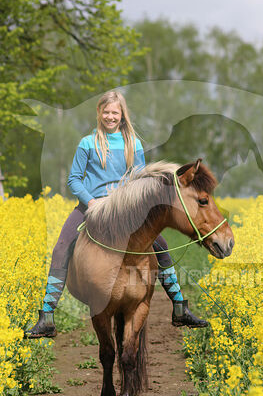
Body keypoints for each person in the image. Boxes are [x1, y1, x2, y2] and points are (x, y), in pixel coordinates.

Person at [26, 90, 208, 338]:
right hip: (91, 206)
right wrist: (90, 202)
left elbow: (141, 179)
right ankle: (47, 316)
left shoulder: (133, 144)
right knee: (61, 246)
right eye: (106, 111)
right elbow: (74, 179)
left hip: (124, 209)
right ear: (99, 113)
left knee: (161, 246)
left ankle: (179, 307)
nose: (110, 116)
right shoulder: (87, 143)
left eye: (115, 112)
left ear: (122, 115)